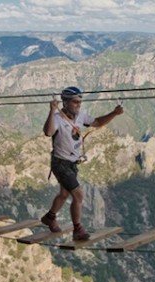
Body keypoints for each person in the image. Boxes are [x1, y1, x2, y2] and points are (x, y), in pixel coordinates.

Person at [41, 86, 124, 241]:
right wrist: (52, 111)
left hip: (72, 164)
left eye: (80, 102)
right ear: (65, 103)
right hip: (61, 164)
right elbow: (48, 132)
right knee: (78, 194)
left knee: (64, 194)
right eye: (75, 102)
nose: (78, 105)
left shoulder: (80, 116)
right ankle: (77, 229)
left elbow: (97, 122)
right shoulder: (58, 119)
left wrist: (114, 113)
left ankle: (50, 217)